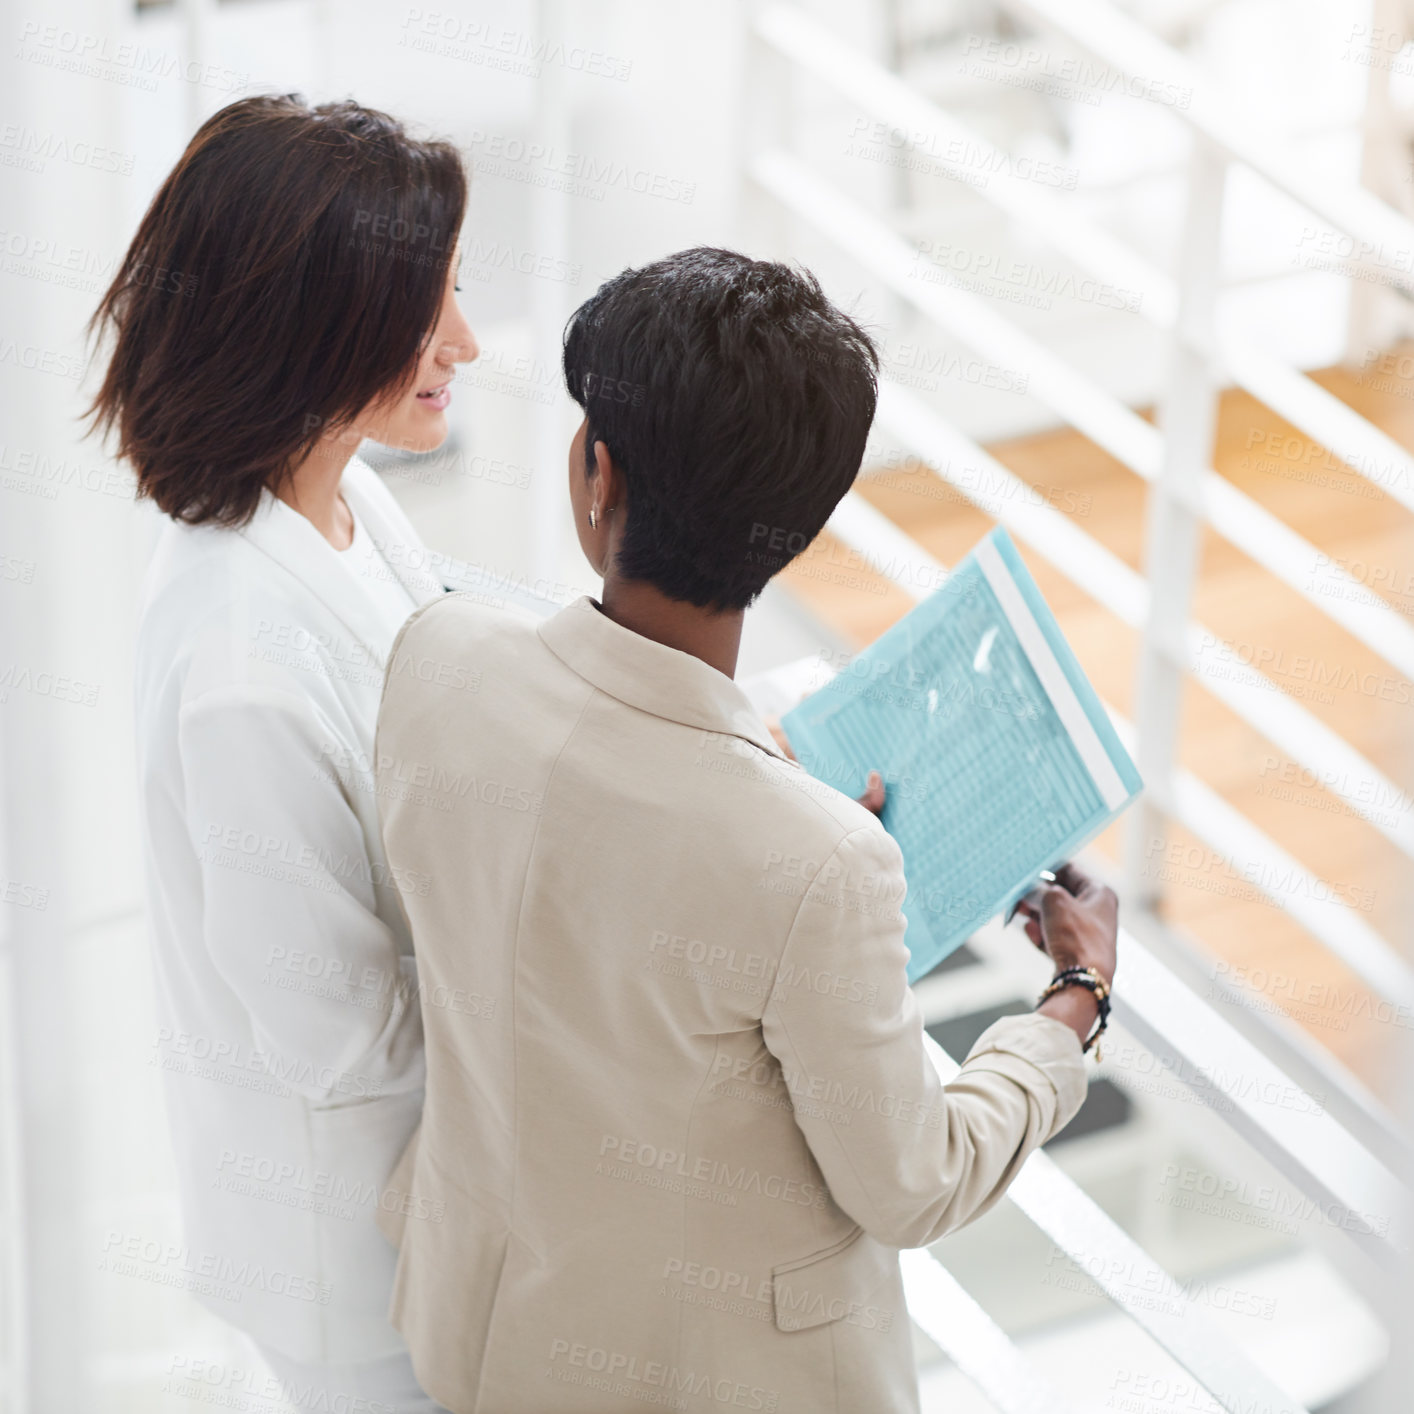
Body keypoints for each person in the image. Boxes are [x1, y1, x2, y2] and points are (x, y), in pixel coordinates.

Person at [373, 247, 1118, 1413]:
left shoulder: (435, 657)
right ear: (795, 530)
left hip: (475, 1327)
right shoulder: (817, 863)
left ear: (597, 475)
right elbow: (913, 1184)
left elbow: (554, 885)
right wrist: (1074, 1000)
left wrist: (775, 816)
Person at [90, 94, 477, 1410]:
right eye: (426, 317)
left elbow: (453, 661)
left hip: (425, 1219)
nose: (465, 344)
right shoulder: (238, 672)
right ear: (317, 335)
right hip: (354, 1273)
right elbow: (337, 1031)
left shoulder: (337, 487)